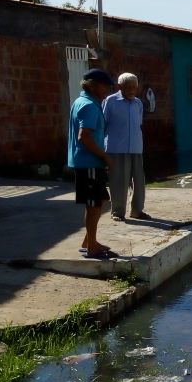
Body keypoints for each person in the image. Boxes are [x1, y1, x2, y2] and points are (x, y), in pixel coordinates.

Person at [68, 69, 116, 259]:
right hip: (88, 162)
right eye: (105, 86)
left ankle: (89, 241)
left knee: (100, 200)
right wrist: (104, 156)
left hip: (89, 161)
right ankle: (92, 248)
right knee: (93, 203)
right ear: (93, 85)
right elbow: (84, 137)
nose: (108, 90)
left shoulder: (86, 102)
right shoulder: (88, 105)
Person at [102, 72, 150, 221]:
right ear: (119, 86)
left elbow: (138, 125)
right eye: (128, 87)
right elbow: (102, 125)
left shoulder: (138, 103)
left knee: (138, 182)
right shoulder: (110, 101)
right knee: (118, 182)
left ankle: (137, 210)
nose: (131, 91)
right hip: (117, 148)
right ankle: (117, 212)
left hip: (136, 147)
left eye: (134, 88)